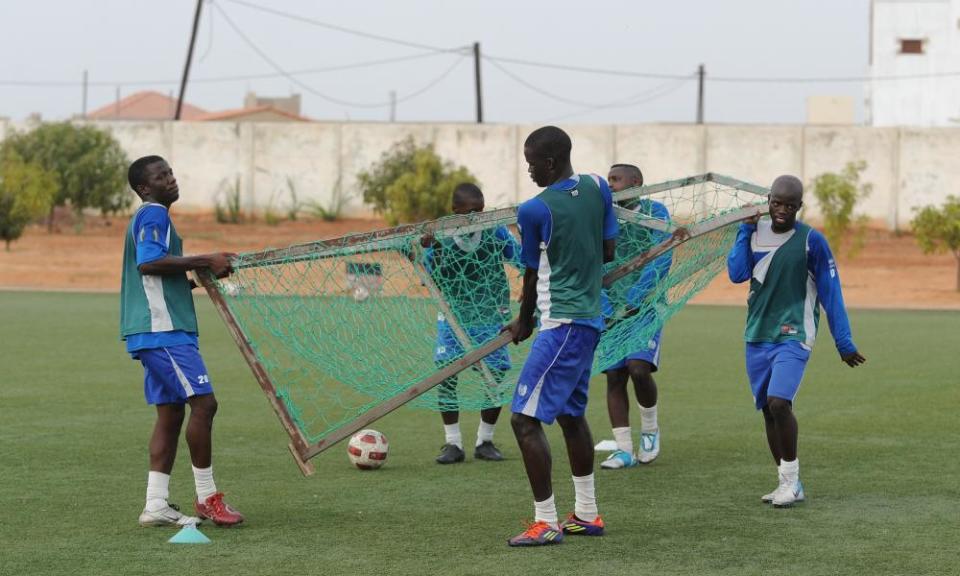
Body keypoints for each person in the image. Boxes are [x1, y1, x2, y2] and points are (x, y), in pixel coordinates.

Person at [505, 126, 618, 546]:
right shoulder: (597, 186)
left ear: (549, 162)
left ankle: (546, 521)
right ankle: (587, 514)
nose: (528, 169)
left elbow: (533, 273)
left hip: (563, 325)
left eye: (531, 162)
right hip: (589, 321)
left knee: (523, 420)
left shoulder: (534, 210)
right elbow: (608, 252)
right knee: (571, 416)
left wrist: (524, 321)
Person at [727, 175, 866, 508]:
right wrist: (744, 230)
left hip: (794, 335)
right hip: (757, 335)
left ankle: (792, 481)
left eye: (790, 205)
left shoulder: (811, 241)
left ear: (799, 207)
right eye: (777, 203)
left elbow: (832, 294)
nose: (782, 210)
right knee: (767, 411)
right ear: (769, 200)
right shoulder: (754, 232)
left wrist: (843, 342)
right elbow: (736, 273)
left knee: (779, 403)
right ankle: (786, 483)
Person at [121, 155, 244, 527]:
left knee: (172, 413)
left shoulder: (155, 217)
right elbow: (148, 263)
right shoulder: (153, 213)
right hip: (163, 332)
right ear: (145, 188)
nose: (171, 179)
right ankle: (207, 498)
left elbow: (156, 276)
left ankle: (155, 504)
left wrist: (197, 279)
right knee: (204, 405)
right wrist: (206, 259)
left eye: (171, 172)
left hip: (154, 330)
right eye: (161, 176)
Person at [421, 182, 521, 464]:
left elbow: (519, 258)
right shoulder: (442, 236)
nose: (475, 216)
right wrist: (434, 248)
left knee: (496, 374)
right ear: (454, 212)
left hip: (490, 315)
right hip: (453, 316)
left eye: (479, 210)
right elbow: (434, 278)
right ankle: (452, 443)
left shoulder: (495, 230)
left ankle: (485, 440)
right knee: (447, 374)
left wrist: (530, 279)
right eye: (468, 212)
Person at [599, 163, 671, 469]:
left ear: (636, 182)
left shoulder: (656, 212)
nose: (611, 185)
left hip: (645, 308)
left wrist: (634, 300)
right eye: (609, 180)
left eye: (616, 179)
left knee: (639, 368)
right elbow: (591, 261)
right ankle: (624, 448)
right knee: (615, 375)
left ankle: (651, 430)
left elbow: (662, 256)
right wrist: (605, 307)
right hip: (610, 312)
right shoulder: (602, 215)